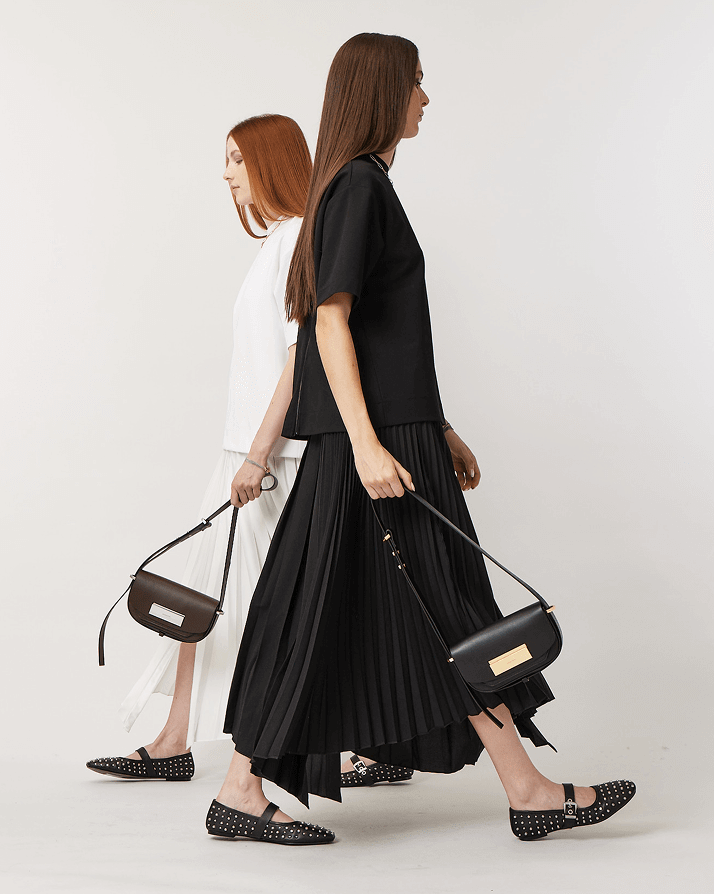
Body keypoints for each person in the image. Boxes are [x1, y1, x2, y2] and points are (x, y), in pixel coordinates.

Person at [204, 33, 636, 847]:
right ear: (384, 91)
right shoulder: (359, 187)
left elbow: (373, 332)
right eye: (417, 84)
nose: (426, 99)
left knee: (394, 608)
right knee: (440, 606)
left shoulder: (351, 188)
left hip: (389, 436)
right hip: (371, 445)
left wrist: (438, 425)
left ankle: (246, 787)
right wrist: (371, 444)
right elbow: (326, 323)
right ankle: (529, 791)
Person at [86, 114, 313, 780]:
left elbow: (302, 359)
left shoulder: (300, 237)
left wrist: (259, 453)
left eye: (237, 158)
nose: (226, 173)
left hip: (273, 460)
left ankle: (363, 743)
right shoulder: (277, 242)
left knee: (301, 603)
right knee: (200, 593)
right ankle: (174, 738)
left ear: (270, 161)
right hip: (244, 454)